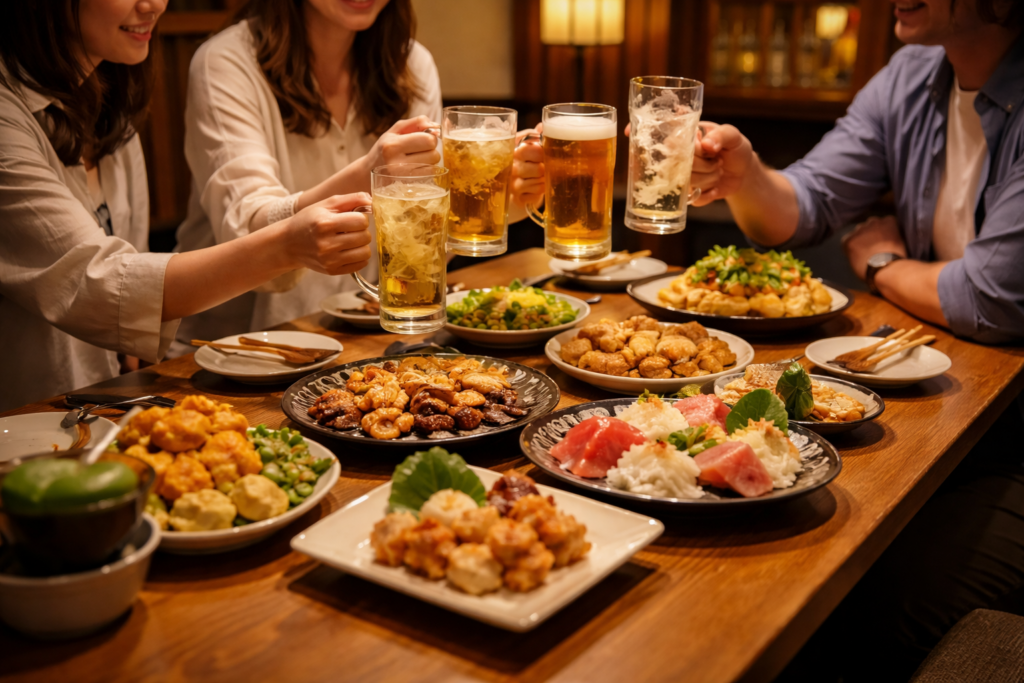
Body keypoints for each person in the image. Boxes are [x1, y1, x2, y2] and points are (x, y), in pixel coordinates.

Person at [685, 0, 1024, 679]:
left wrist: (880, 263)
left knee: (854, 603)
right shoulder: (912, 73)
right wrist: (745, 177)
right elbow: (806, 203)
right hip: (956, 408)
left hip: (1012, 442)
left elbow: (992, 298)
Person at [0, 0, 374, 413]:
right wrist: (288, 244)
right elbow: (101, 281)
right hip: (23, 415)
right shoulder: (9, 115)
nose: (154, 4)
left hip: (98, 403)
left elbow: (130, 265)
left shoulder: (111, 104)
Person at [175, 0, 537, 350]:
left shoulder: (410, 62)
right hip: (229, 351)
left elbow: (418, 240)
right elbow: (247, 231)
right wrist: (366, 173)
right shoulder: (226, 61)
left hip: (362, 338)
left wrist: (504, 204)